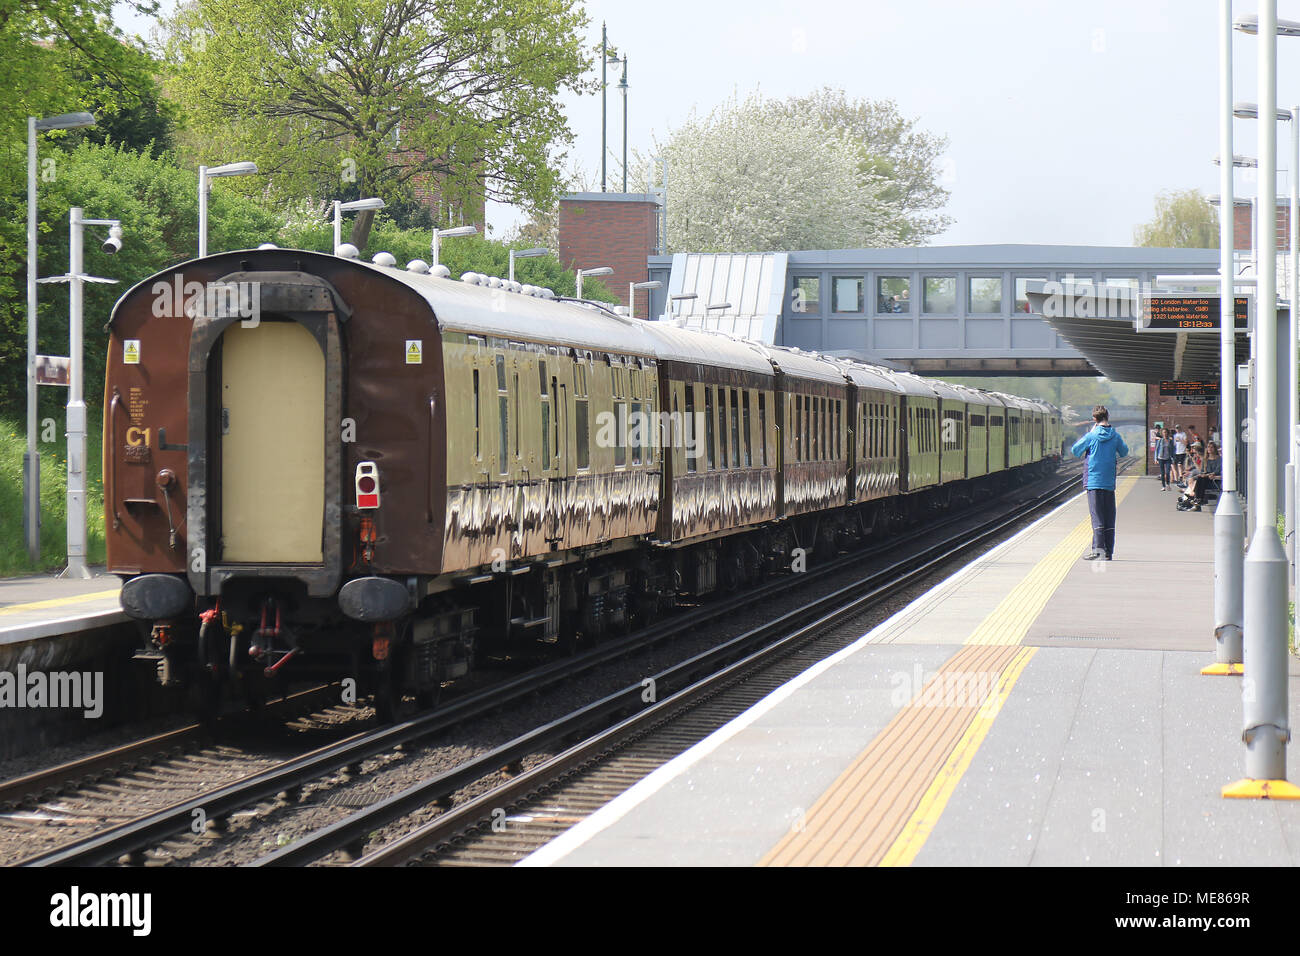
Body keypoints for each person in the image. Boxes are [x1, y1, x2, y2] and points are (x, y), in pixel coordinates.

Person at [1071, 405, 1129, 560]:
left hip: (1093, 481)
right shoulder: (1115, 436)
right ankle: (1108, 551)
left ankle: (1098, 550)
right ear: (1107, 417)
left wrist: (1090, 433)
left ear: (1094, 419)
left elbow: (1075, 450)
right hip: (1109, 481)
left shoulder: (1092, 436)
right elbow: (1124, 452)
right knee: (1109, 515)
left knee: (1097, 515)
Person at [1186, 443, 1222, 511]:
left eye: (1211, 447)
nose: (1210, 449)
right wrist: (1198, 476)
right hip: (1205, 479)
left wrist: (1207, 475)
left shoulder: (1219, 459)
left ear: (1215, 449)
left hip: (1214, 480)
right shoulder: (1205, 460)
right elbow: (1202, 471)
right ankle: (1199, 499)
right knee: (1200, 478)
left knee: (1201, 478)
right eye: (1208, 447)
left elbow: (1217, 471)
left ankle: (1196, 498)